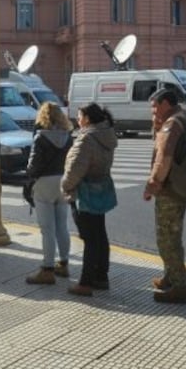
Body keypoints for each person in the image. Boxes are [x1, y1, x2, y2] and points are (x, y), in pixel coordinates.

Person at [144, 88, 186, 304]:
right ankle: (170, 276)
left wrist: (151, 186)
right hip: (184, 186)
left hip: (170, 189)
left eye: (155, 106)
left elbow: (163, 159)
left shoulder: (171, 124)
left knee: (167, 238)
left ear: (166, 103)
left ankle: (179, 286)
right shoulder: (185, 118)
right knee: (173, 234)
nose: (153, 111)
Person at [61, 103, 117, 296]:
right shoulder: (106, 135)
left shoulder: (87, 139)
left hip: (83, 192)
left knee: (89, 238)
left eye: (79, 116)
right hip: (100, 188)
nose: (77, 119)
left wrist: (65, 186)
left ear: (87, 118)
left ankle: (85, 281)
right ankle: (102, 276)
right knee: (100, 234)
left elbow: (75, 169)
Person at [24, 102, 75, 284]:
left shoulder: (40, 137)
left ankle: (47, 269)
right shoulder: (68, 137)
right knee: (62, 225)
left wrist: (29, 174)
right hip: (63, 181)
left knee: (47, 229)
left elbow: (33, 165)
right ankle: (64, 263)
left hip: (44, 182)